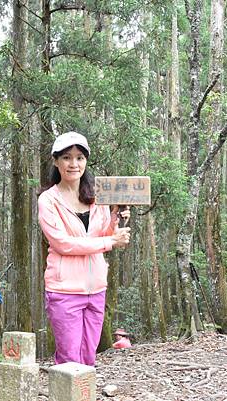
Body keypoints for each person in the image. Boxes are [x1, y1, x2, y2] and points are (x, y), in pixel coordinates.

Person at [37, 131, 131, 366]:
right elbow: (63, 244)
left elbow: (101, 236)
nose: (73, 164)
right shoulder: (48, 201)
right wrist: (110, 242)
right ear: (56, 161)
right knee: (70, 360)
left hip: (96, 289)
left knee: (88, 358)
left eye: (80, 157)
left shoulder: (97, 197)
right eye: (67, 157)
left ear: (86, 161)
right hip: (65, 290)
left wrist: (115, 218)